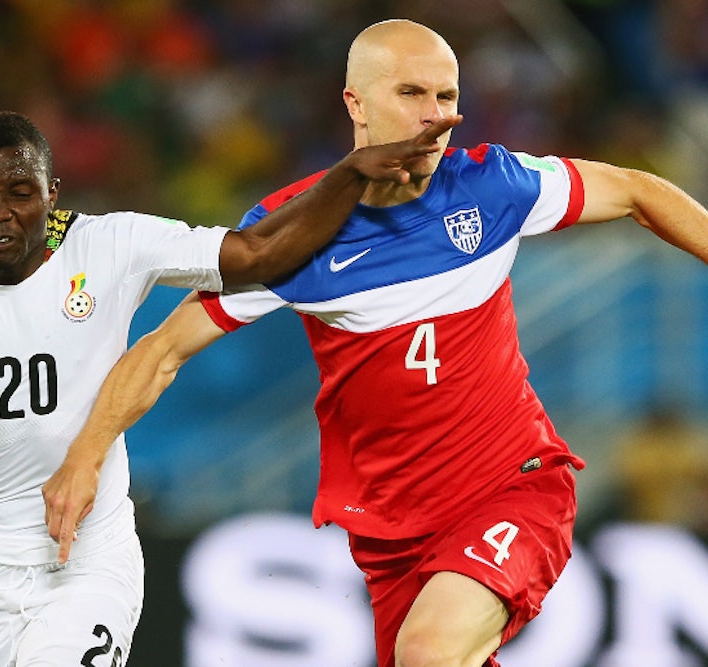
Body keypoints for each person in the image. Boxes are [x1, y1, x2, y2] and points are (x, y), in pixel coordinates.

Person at [43, 19, 708, 667]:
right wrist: (84, 455)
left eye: (446, 96)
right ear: (355, 104)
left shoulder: (494, 185)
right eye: (411, 93)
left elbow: (635, 190)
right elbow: (162, 350)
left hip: (514, 485)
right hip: (393, 535)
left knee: (429, 653)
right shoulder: (292, 234)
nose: (433, 115)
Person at [0, 109, 460, 666]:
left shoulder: (110, 245)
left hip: (85, 567)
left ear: (51, 194)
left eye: (20, 193)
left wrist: (350, 174)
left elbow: (256, 253)